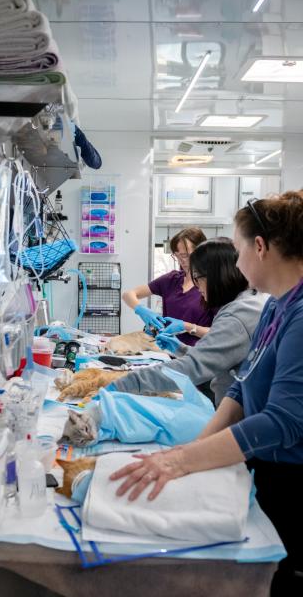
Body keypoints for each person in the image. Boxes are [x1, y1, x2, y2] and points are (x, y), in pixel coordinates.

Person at [110, 191, 303, 596]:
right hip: (263, 465)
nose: (234, 263)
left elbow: (284, 421)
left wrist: (183, 459)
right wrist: (193, 453)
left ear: (260, 247)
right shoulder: (274, 308)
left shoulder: (299, 316)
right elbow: (241, 385)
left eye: (236, 250)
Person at [112, 238, 267, 405]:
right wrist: (179, 348)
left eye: (198, 278)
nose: (197, 286)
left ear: (216, 276)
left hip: (232, 404)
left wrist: (122, 384)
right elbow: (215, 355)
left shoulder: (237, 316)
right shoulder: (245, 302)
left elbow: (194, 366)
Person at [122, 227, 214, 346]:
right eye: (177, 256)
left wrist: (188, 327)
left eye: (185, 255)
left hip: (195, 356)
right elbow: (128, 295)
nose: (182, 261)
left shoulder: (212, 285)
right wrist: (140, 310)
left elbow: (221, 334)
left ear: (201, 251)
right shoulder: (172, 280)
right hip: (166, 353)